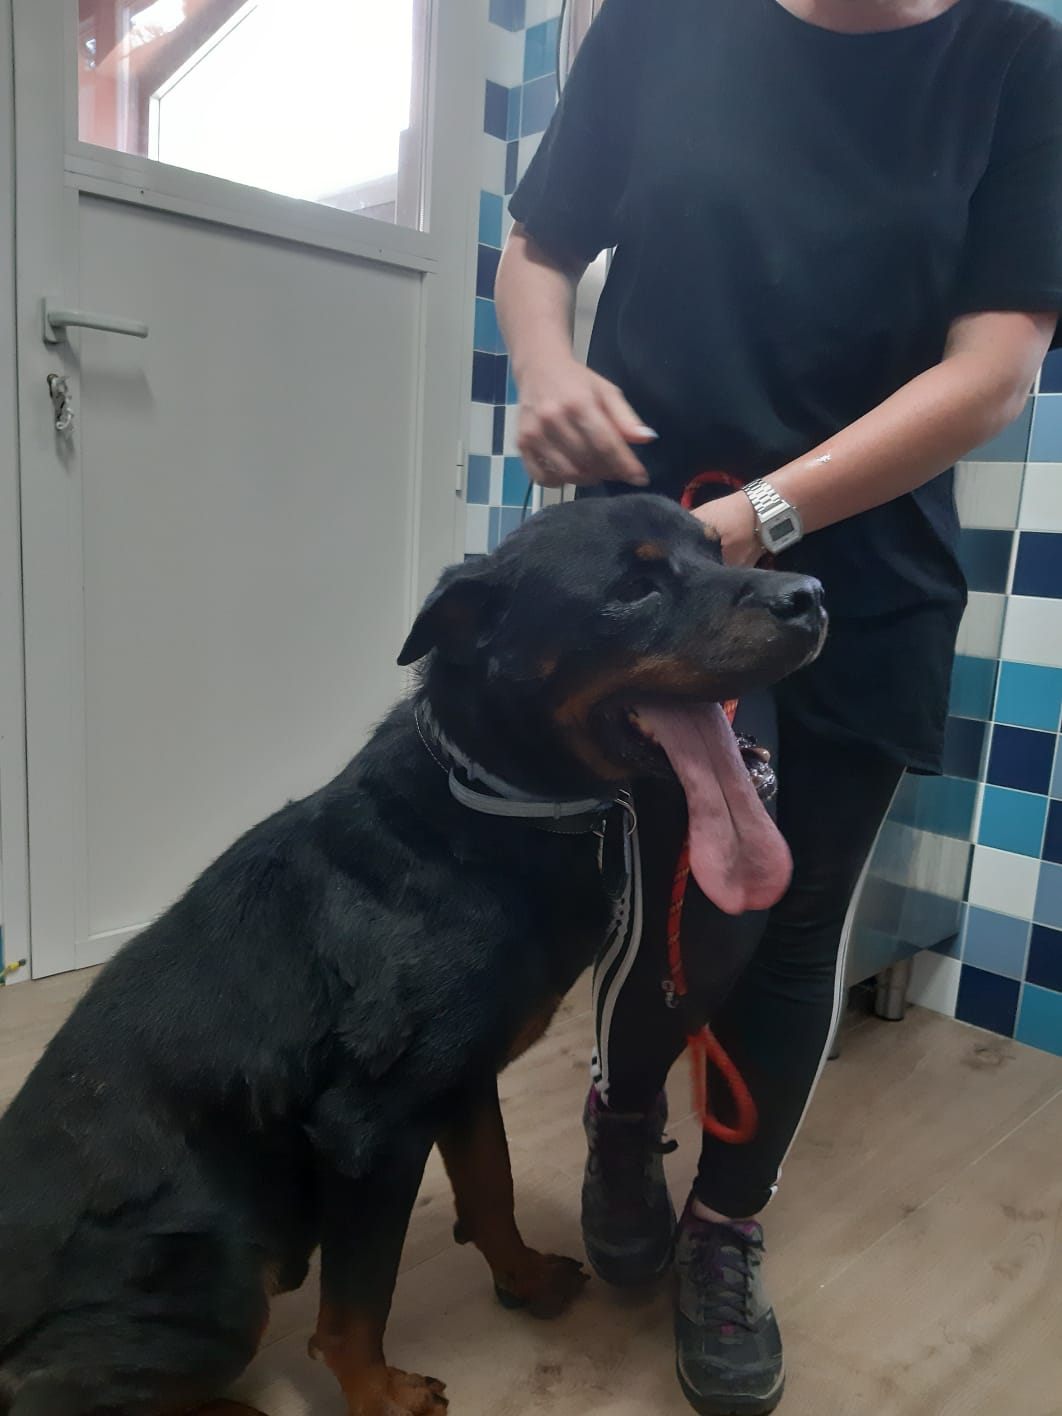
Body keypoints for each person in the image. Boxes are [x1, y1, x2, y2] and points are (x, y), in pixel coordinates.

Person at [495, 1, 1062, 1411]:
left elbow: (993, 371)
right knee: (668, 910)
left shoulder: (1014, 59)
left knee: (793, 921)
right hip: (652, 573)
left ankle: (727, 1227)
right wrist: (549, 370)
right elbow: (540, 249)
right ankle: (624, 1116)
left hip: (861, 579)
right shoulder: (659, 24)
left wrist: (763, 518)